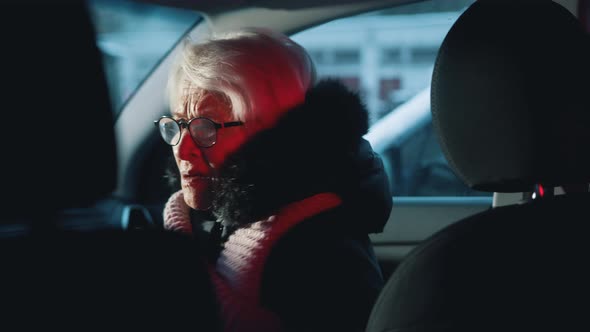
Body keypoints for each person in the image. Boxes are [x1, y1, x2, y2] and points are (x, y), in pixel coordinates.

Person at [157, 28, 392, 332]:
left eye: (207, 127)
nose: (182, 149)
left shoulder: (321, 253)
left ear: (267, 132)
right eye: (177, 125)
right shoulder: (211, 216)